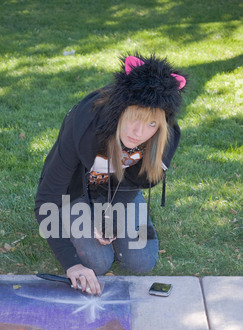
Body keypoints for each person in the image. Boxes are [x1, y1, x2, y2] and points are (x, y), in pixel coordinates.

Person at [35, 53, 187, 295]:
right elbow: (47, 198)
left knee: (141, 261)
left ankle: (125, 217)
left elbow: (134, 181)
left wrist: (109, 218)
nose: (139, 132)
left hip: (120, 192)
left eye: (151, 124)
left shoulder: (163, 139)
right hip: (75, 193)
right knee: (96, 262)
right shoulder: (85, 125)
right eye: (135, 118)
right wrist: (71, 264)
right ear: (121, 111)